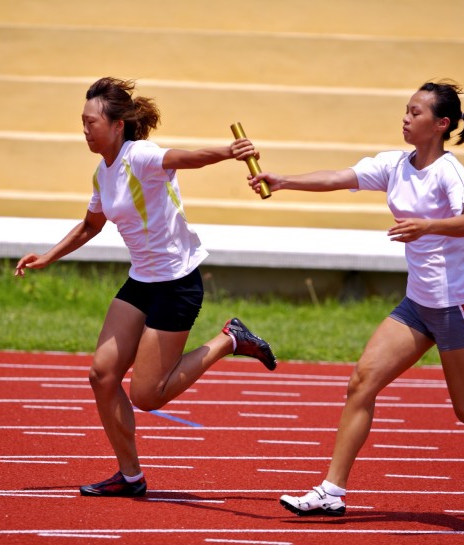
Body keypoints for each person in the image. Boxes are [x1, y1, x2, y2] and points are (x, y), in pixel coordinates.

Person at [247, 80, 464, 517]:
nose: (405, 118)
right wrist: (282, 181)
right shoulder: (395, 165)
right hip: (417, 305)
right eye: (406, 110)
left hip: (457, 306)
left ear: (440, 125)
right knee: (362, 382)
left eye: (415, 113)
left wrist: (425, 225)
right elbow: (341, 177)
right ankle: (331, 491)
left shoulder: (450, 172)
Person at [15, 77, 277, 498]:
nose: (84, 131)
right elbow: (90, 225)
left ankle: (229, 339)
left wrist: (228, 152)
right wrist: (48, 256)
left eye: (90, 122)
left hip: (176, 284)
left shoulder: (141, 156)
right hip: (141, 280)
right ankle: (130, 476)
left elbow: (184, 158)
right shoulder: (103, 173)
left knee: (148, 395)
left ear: (118, 125)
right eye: (81, 123)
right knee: (102, 375)